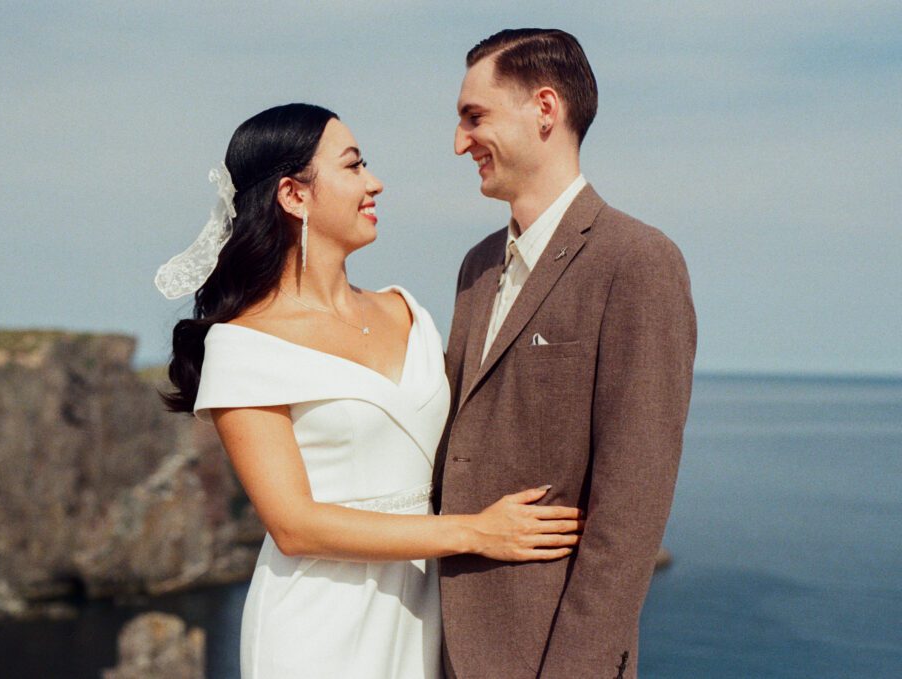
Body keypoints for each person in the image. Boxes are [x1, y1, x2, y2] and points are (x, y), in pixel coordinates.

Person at [155, 103, 584, 679]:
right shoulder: (243, 346)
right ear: (294, 195)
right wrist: (477, 532)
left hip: (423, 610)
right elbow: (294, 526)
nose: (374, 182)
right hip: (317, 628)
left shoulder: (408, 311)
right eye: (353, 166)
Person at [433, 29, 697, 679]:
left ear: (545, 109)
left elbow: (632, 506)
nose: (459, 142)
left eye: (474, 116)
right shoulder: (476, 266)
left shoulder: (638, 260)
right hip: (436, 644)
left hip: (544, 655)